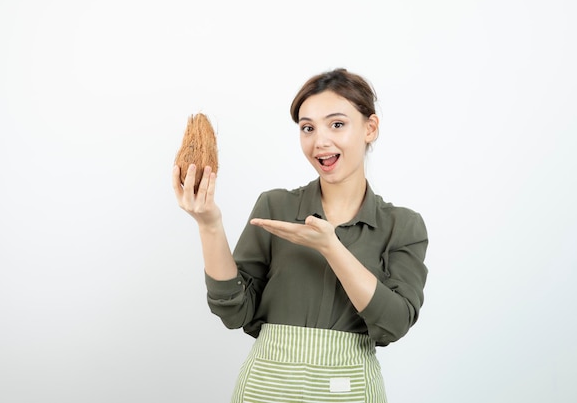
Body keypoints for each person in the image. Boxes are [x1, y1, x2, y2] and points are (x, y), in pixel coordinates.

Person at [172, 68, 429, 403]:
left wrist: (331, 247)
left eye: (337, 124)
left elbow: (394, 323)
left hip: (348, 391)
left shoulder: (403, 225)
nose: (319, 141)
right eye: (308, 128)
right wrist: (208, 224)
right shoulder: (275, 205)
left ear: (370, 128)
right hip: (266, 389)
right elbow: (234, 311)